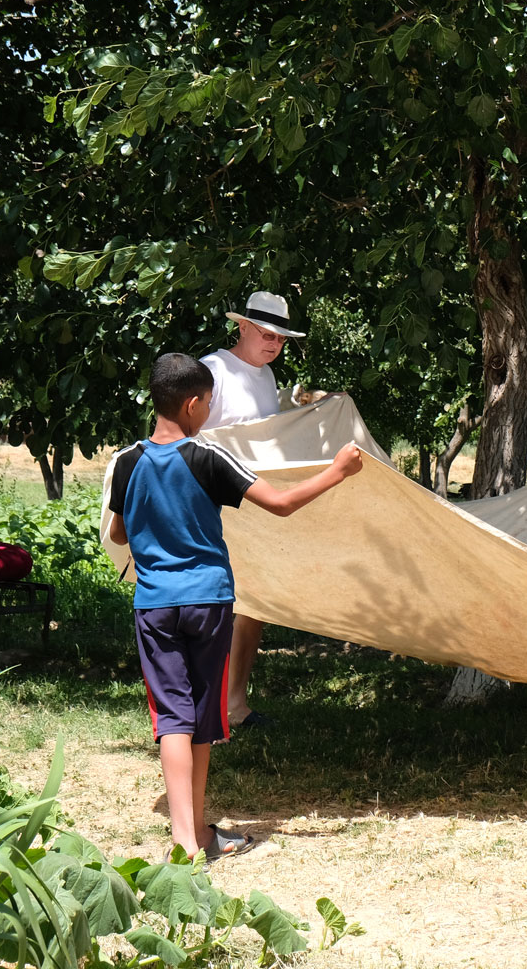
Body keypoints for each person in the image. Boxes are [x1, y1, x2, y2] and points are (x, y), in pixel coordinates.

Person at [107, 353, 361, 859]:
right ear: (194, 403)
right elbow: (282, 504)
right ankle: (190, 837)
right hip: (209, 603)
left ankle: (194, 835)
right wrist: (338, 470)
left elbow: (118, 532)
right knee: (199, 718)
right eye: (210, 404)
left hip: (156, 606)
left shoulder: (127, 462)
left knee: (174, 719)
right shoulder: (207, 458)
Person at [201, 289, 325, 730]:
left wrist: (301, 406)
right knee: (216, 609)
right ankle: (205, 708)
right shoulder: (212, 373)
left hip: (253, 508)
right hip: (213, 509)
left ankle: (234, 704)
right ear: (243, 327)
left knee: (252, 607)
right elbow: (191, 440)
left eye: (282, 338)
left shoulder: (266, 376)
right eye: (267, 334)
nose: (274, 343)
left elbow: (259, 434)